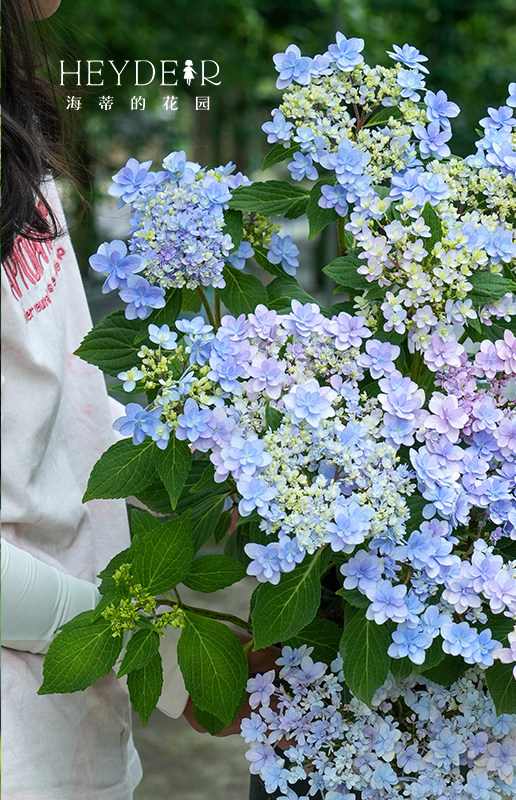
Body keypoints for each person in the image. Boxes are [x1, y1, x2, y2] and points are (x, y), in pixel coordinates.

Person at [1, 1, 276, 797]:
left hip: (69, 733)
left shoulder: (16, 125)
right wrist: (161, 648)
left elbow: (56, 399)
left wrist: (222, 465)